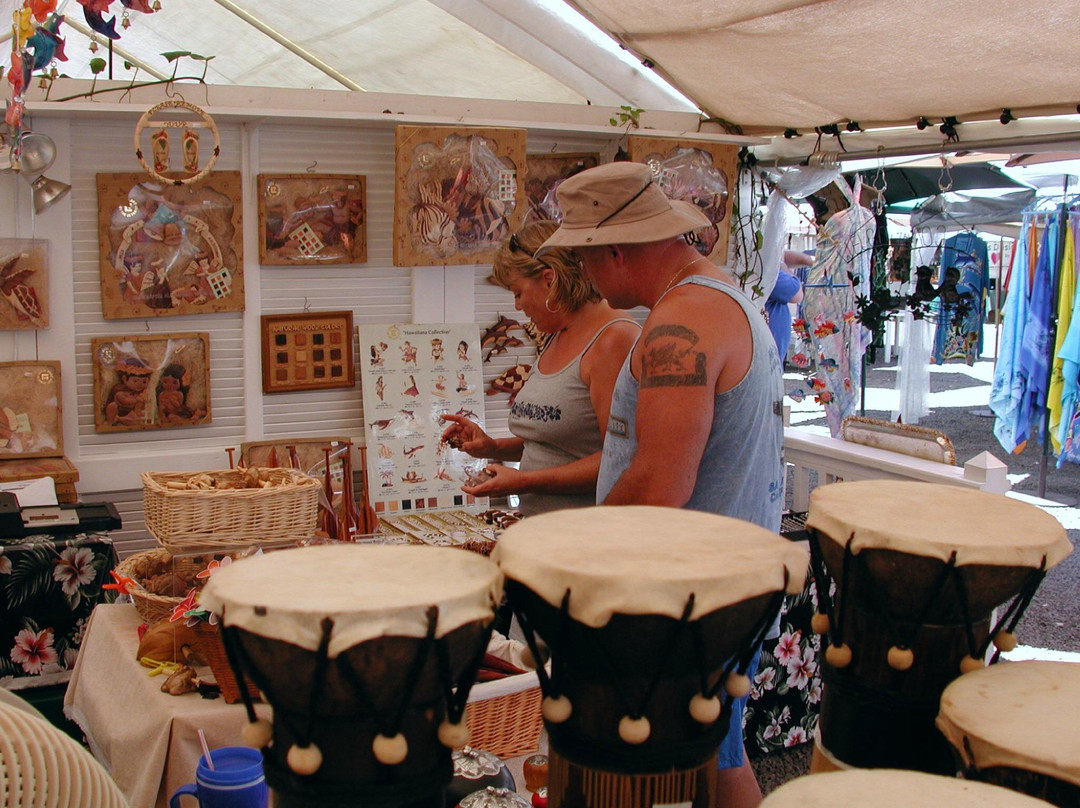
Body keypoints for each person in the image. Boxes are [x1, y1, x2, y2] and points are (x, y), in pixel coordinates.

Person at [536, 161, 786, 808]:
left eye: (585, 258)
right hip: (716, 585)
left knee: (706, 763)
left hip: (697, 600)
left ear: (615, 250)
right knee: (712, 757)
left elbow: (660, 483)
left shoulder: (686, 320)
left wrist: (576, 555)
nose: (586, 276)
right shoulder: (714, 294)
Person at [440, 219, 639, 515]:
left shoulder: (613, 340)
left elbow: (620, 460)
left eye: (518, 293)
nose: (517, 306)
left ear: (549, 280)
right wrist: (493, 448)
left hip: (586, 530)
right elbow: (556, 444)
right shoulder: (558, 334)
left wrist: (523, 481)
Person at [765, 250, 811, 363]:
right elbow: (797, 295)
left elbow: (783, 254)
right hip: (766, 359)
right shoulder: (765, 270)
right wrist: (781, 263)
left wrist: (810, 261)